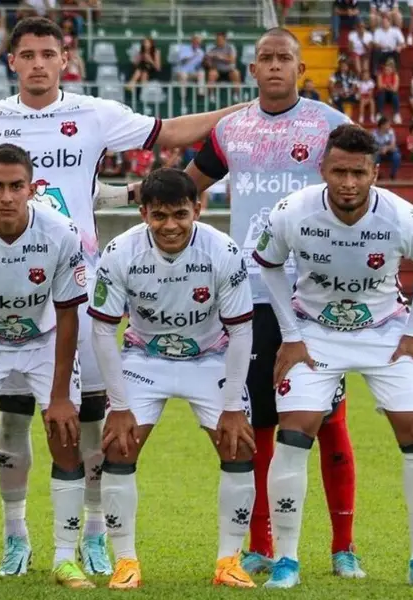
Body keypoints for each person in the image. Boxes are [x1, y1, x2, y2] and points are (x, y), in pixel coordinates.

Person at [0, 16, 241, 583]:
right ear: (12, 61)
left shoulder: (94, 113)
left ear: (65, 57)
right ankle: (15, 536)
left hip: (78, 284)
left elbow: (169, 133)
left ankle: (94, 535)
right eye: (29, 54)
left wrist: (242, 114)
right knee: (15, 418)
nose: (40, 63)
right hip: (10, 287)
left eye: (50, 53)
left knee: (87, 418)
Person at [129, 28, 364, 579]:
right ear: (252, 70)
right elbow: (183, 189)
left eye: (286, 58)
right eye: (266, 59)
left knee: (328, 420)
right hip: (248, 297)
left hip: (314, 299)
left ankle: (342, 546)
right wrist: (139, 196)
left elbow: (357, 194)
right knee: (256, 422)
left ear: (301, 71)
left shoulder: (330, 126)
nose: (276, 66)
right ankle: (259, 543)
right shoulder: (231, 130)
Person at [252, 124, 413, 590]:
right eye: (338, 171)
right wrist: (292, 334)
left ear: (375, 174)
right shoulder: (292, 213)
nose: (347, 182)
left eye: (358, 173)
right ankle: (287, 560)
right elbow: (268, 264)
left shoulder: (403, 218)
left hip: (385, 331)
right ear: (322, 169)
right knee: (295, 429)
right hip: (316, 333)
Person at [92, 168, 256, 589]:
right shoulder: (119, 251)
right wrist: (121, 405)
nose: (170, 226)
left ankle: (229, 561)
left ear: (198, 209)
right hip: (144, 359)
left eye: (180, 215)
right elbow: (101, 330)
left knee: (238, 448)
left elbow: (240, 330)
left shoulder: (223, 251)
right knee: (119, 448)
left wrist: (234, 406)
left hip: (210, 356)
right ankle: (125, 561)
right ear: (143, 212)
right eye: (160, 215)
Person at [0, 143, 87, 590]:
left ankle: (65, 558)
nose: (7, 196)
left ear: (32, 188)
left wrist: (58, 397)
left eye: (17, 186)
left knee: (66, 438)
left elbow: (69, 313)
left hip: (43, 339)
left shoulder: (60, 232)